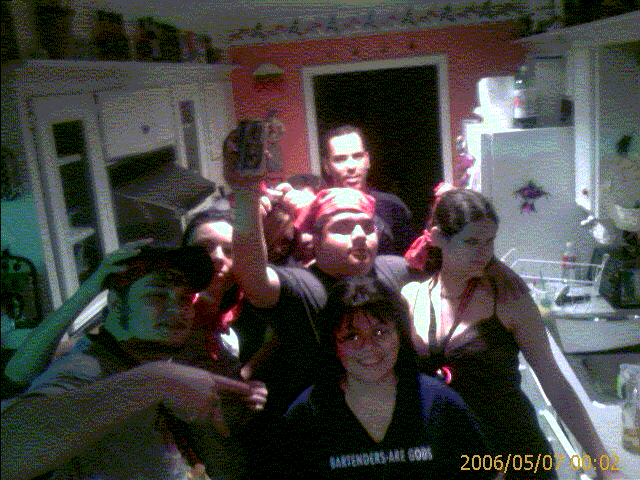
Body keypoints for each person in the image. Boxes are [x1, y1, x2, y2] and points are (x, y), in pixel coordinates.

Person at [400, 186, 621, 480]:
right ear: (437, 237)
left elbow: (555, 382)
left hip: (516, 453)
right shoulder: (411, 297)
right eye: (471, 242)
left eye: (490, 241)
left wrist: (604, 464)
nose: (484, 253)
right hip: (451, 457)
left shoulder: (507, 296)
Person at [1, 245, 267, 480]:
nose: (177, 310)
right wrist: (158, 380)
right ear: (116, 304)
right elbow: (8, 450)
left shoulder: (158, 353)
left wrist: (241, 398)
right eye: (157, 295)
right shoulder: (88, 367)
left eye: (185, 298)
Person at [275, 277, 495, 479]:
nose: (368, 346)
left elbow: (491, 475)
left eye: (380, 332)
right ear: (333, 345)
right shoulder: (307, 413)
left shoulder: (439, 401)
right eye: (352, 336)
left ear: (400, 335)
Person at [320, 124, 415, 255]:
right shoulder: (319, 211)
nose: (351, 166)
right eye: (340, 159)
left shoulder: (393, 207)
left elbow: (409, 260)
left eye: (357, 156)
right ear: (326, 166)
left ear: (367, 160)